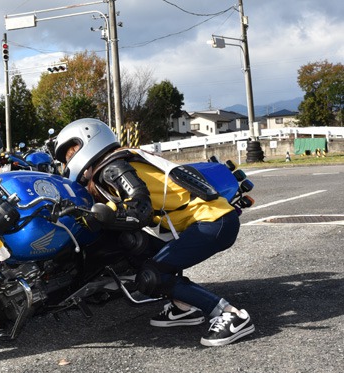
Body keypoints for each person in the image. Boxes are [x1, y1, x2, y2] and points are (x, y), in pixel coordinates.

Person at [54, 118, 254, 347]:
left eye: (71, 150)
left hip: (213, 221)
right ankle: (183, 307)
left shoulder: (111, 167)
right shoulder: (116, 163)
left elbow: (140, 208)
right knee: (133, 242)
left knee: (152, 276)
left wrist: (100, 216)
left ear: (88, 139)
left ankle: (230, 314)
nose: (69, 159)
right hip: (206, 221)